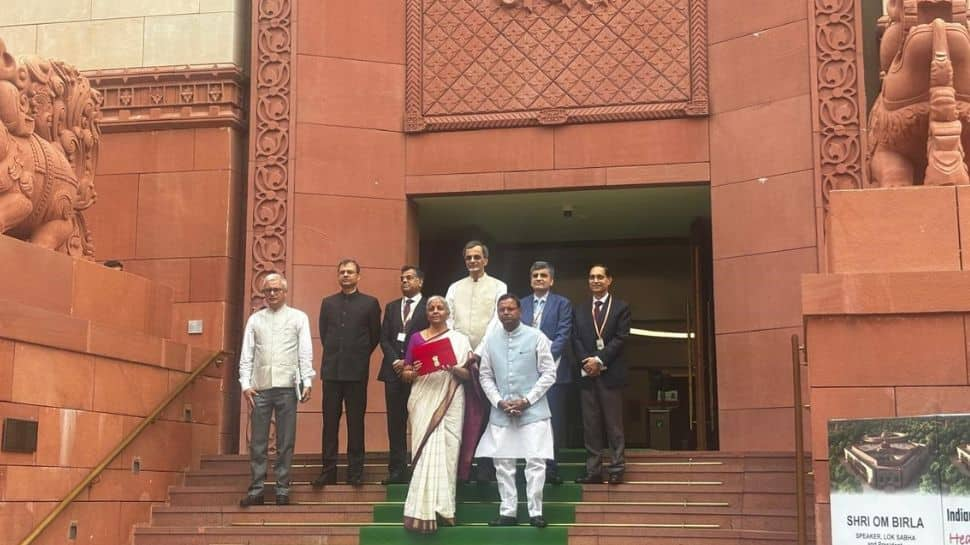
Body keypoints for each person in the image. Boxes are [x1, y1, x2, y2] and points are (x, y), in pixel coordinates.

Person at [476, 294, 556, 528]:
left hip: (533, 411)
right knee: (503, 463)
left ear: (520, 312)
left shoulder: (536, 336)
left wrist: (527, 400)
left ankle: (535, 512)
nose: (506, 313)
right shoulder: (490, 340)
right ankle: (508, 512)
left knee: (535, 461)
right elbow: (485, 375)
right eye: (502, 309)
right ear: (498, 313)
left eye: (511, 309)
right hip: (501, 411)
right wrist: (498, 401)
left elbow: (549, 373)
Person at [237, 273, 314, 507]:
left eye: (275, 290)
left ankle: (282, 487)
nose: (271, 294)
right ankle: (257, 488)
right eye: (267, 290)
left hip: (287, 387)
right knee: (258, 441)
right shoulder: (255, 320)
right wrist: (245, 383)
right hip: (260, 388)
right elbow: (247, 354)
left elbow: (305, 351)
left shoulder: (298, 317)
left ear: (285, 291)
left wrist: (307, 380)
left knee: (285, 441)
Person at [399, 296, 473, 533]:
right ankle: (420, 510)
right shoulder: (416, 338)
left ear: (447, 312)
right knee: (424, 450)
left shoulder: (459, 340)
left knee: (449, 450)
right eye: (431, 308)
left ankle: (444, 508)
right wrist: (408, 373)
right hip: (423, 398)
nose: (435, 311)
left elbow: (468, 375)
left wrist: (450, 366)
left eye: (440, 307)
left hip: (450, 397)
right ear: (427, 313)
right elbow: (408, 371)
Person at [312, 259, 381, 487]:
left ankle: (355, 472)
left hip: (356, 371)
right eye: (342, 272)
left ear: (358, 276)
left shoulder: (370, 303)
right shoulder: (328, 303)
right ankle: (328, 471)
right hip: (331, 371)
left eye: (350, 272)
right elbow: (325, 334)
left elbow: (374, 337)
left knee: (355, 423)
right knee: (329, 423)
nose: (345, 275)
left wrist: (358, 356)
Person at [444, 240, 508, 481]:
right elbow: (449, 320)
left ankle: (485, 466)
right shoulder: (454, 288)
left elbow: (496, 320)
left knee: (487, 413)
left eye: (477, 257)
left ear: (486, 260)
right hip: (460, 361)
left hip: (488, 358)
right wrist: (463, 352)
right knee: (461, 413)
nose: (473, 261)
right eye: (469, 257)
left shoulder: (499, 286)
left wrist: (477, 353)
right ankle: (462, 468)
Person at [572, 265, 631, 485]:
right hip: (587, 375)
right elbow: (575, 339)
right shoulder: (579, 309)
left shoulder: (621, 307)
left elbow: (621, 338)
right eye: (591, 277)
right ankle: (593, 470)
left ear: (609, 280)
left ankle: (616, 467)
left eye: (600, 277)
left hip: (610, 374)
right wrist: (587, 362)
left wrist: (599, 360)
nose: (595, 280)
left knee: (613, 424)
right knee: (591, 424)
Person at [519, 261, 573, 485]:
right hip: (526, 372)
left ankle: (551, 468)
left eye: (543, 275)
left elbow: (564, 333)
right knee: (527, 420)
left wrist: (543, 357)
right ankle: (528, 467)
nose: (539, 278)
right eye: (535, 275)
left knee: (552, 421)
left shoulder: (562, 304)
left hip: (554, 371)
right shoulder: (521, 304)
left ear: (551, 280)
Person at [378, 265, 429, 484]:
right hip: (393, 372)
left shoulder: (429, 306)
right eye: (402, 278)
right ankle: (396, 469)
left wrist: (411, 364)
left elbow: (431, 337)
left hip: (419, 373)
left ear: (420, 282)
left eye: (409, 278)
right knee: (395, 422)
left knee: (420, 420)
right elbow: (384, 339)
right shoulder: (391, 307)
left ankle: (420, 467)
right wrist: (397, 361)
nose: (404, 282)